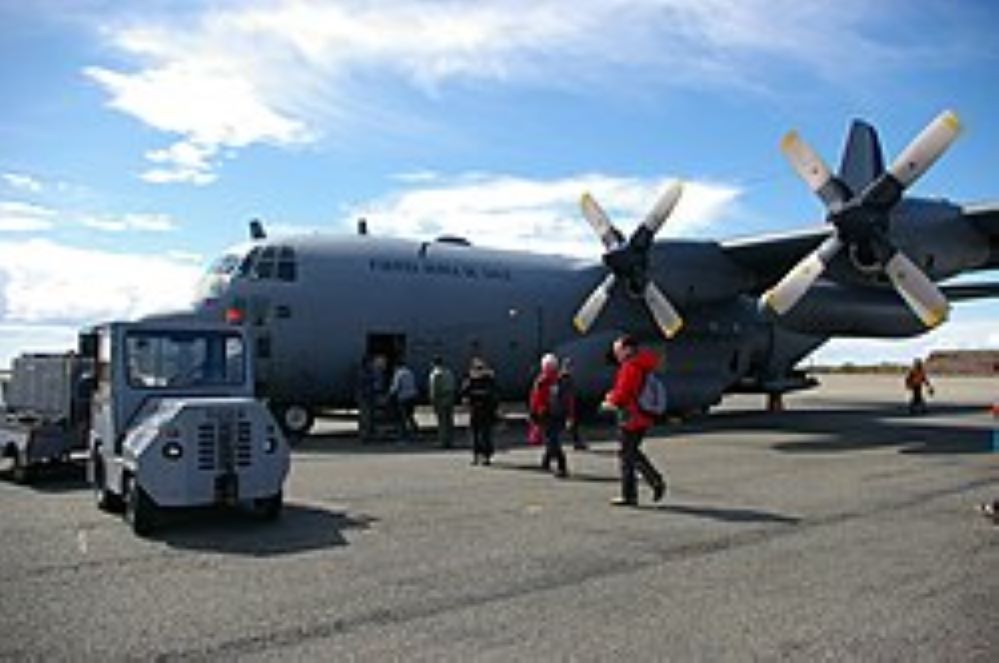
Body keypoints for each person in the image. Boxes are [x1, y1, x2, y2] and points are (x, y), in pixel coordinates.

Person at [603, 335, 666, 507]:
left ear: (628, 349)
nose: (616, 354)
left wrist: (610, 399)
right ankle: (654, 480)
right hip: (642, 416)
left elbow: (623, 394)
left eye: (618, 350)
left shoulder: (630, 367)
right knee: (631, 452)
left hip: (631, 417)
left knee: (626, 456)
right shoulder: (642, 365)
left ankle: (631, 494)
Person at [530, 353, 569, 478]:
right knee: (551, 439)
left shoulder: (553, 381)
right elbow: (536, 399)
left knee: (553, 440)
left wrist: (534, 413)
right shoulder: (547, 381)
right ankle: (546, 462)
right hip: (551, 414)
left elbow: (536, 399)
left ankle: (561, 466)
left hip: (552, 414)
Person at [461, 357, 499, 465]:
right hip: (477, 411)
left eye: (480, 368)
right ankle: (477, 456)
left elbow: (494, 396)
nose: (478, 370)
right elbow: (464, 395)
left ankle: (485, 456)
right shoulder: (471, 381)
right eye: (476, 368)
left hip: (485, 411)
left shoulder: (488, 381)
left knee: (484, 435)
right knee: (476, 435)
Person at [428, 356, 456, 448]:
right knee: (449, 420)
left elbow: (434, 389)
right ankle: (450, 440)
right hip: (449, 398)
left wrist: (433, 400)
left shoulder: (436, 374)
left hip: (440, 398)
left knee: (442, 421)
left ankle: (443, 441)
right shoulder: (449, 372)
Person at [389, 359, 419, 442]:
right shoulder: (410, 372)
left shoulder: (398, 374)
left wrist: (389, 394)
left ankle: (403, 436)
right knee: (410, 416)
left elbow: (396, 387)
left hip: (403, 398)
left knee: (402, 418)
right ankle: (415, 431)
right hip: (412, 397)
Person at [559, 358, 585, 450]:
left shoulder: (564, 378)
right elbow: (567, 394)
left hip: (567, 405)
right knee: (570, 425)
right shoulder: (565, 379)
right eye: (569, 366)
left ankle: (577, 442)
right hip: (566, 405)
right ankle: (576, 442)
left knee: (572, 426)